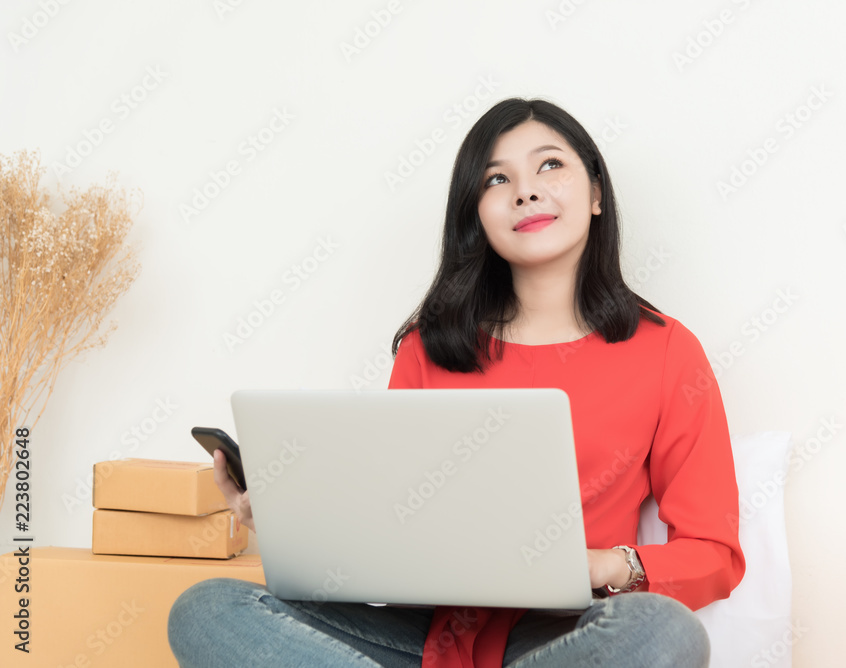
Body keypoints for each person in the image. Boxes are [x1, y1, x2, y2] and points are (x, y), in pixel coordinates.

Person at [168, 97, 746, 668]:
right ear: (476, 215)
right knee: (207, 610)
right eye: (498, 179)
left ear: (596, 193)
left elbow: (713, 554)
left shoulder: (666, 350)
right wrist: (291, 525)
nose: (525, 192)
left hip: (560, 635)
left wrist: (604, 564)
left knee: (663, 631)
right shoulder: (429, 348)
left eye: (550, 165)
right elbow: (389, 529)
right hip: (427, 635)